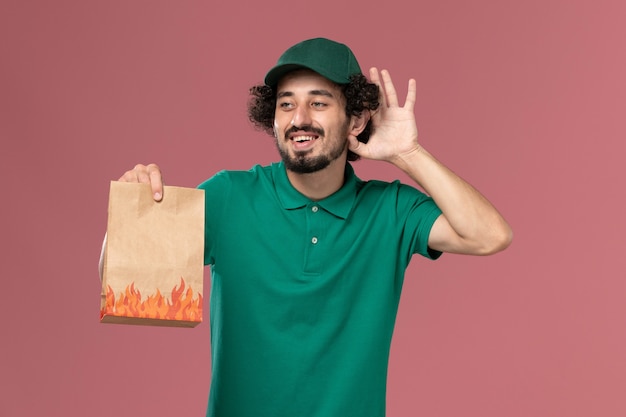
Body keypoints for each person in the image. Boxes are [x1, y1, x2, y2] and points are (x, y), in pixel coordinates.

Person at [113, 38, 512, 417]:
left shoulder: (390, 210)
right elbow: (126, 285)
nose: (299, 119)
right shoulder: (229, 196)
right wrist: (131, 218)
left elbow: (489, 235)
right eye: (286, 105)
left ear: (356, 119)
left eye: (318, 103)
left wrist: (408, 154)